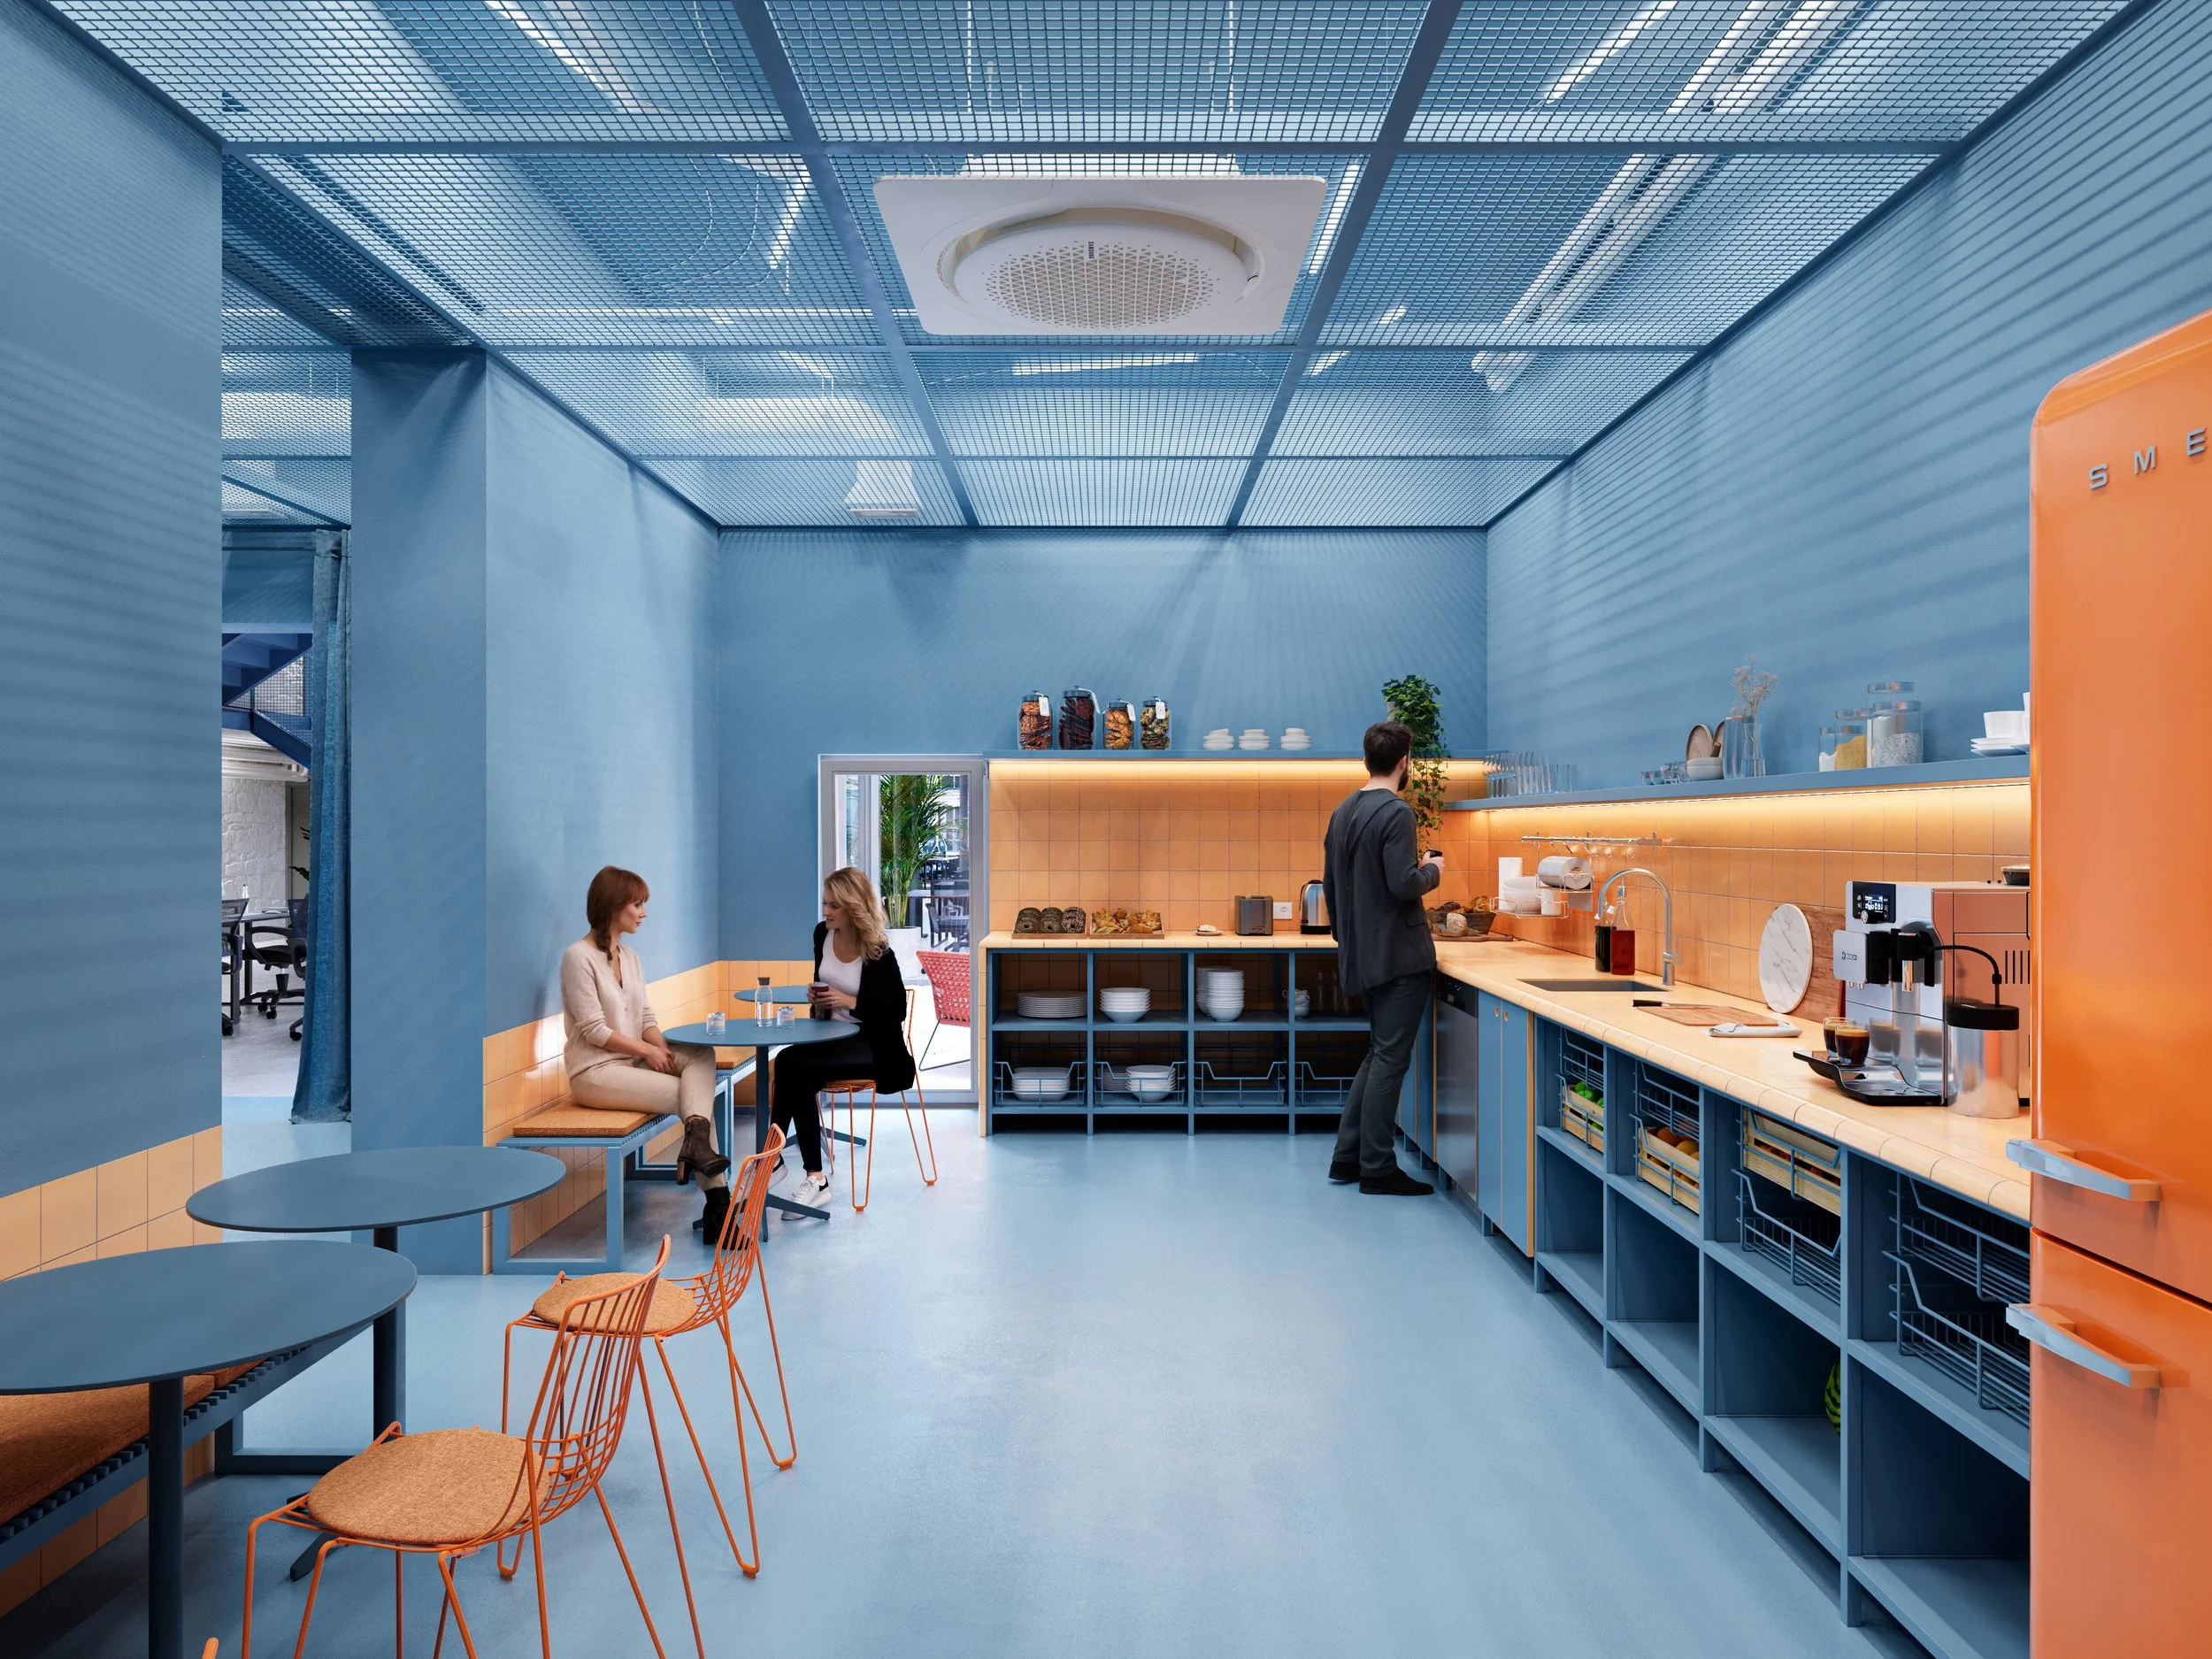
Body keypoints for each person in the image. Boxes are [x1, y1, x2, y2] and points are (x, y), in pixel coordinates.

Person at [560, 865, 733, 1239]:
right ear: (613, 906)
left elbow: (647, 1017)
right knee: (690, 1099)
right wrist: (648, 1052)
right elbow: (593, 1031)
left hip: (632, 1061)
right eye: (637, 904)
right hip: (595, 1073)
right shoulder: (578, 957)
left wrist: (663, 1050)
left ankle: (697, 1153)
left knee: (701, 1056)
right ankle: (720, 1208)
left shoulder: (631, 957)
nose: (644, 913)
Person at [1323, 720, 1444, 1195]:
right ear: (1403, 763)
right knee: (1390, 1060)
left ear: (1366, 758)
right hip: (1400, 959)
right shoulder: (1397, 813)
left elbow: (1331, 887)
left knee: (1378, 1055)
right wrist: (1434, 869)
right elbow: (1403, 884)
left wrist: (1348, 940)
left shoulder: (1342, 811)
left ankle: (1346, 1158)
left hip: (1363, 957)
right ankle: (1376, 1167)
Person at [770, 866, 918, 1208]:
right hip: (829, 1038)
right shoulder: (822, 934)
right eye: (825, 903)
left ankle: (773, 1157)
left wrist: (851, 1001)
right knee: (797, 1074)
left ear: (853, 907)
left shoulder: (878, 951)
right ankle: (814, 1178)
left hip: (873, 1046)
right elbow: (823, 976)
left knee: (791, 1063)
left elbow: (897, 1009)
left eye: (834, 905)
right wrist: (816, 993)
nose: (825, 911)